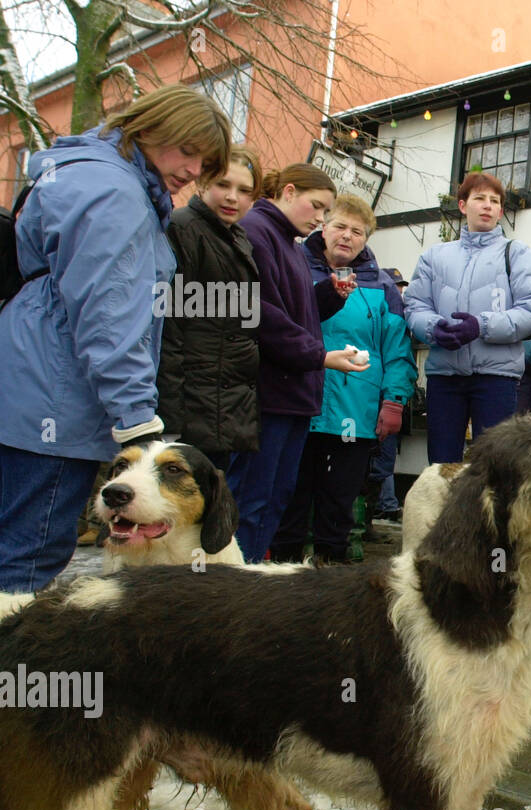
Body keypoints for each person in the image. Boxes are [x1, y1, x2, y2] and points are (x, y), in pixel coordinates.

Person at [0, 85, 231, 593]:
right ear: (149, 128)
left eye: (204, 163)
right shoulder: (116, 193)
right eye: (189, 151)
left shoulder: (84, 171)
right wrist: (136, 422)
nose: (194, 173)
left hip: (28, 387)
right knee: (26, 562)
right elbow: (109, 316)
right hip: (56, 402)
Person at [225, 164, 368, 563]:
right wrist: (320, 356)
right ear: (288, 191)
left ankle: (248, 581)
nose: (321, 219)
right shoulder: (257, 232)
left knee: (275, 499)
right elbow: (260, 314)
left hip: (292, 395)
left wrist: (328, 295)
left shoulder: (287, 241)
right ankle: (233, 588)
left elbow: (295, 312)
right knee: (251, 502)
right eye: (317, 207)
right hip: (268, 395)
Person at [268, 195, 415, 565]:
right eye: (339, 226)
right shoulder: (293, 268)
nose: (347, 236)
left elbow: (396, 350)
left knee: (339, 507)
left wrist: (394, 400)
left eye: (358, 231)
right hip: (297, 404)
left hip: (355, 413)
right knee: (289, 502)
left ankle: (331, 583)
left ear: (366, 239)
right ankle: (283, 583)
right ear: (323, 226)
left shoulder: (381, 288)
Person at [405, 172, 531, 463]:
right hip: (444, 377)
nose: (487, 206)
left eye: (494, 201)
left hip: (496, 379)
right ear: (462, 205)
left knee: (494, 467)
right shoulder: (434, 256)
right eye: (479, 198)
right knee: (441, 468)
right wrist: (434, 329)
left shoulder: (517, 253)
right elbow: (414, 306)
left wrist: (481, 326)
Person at [157, 144, 263, 472]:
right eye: (223, 185)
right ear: (202, 183)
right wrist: (170, 421)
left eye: (244, 190)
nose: (233, 197)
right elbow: (168, 328)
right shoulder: (183, 228)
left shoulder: (236, 239)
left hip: (223, 408)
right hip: (193, 407)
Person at [366, 266, 411, 523]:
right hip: (367, 397)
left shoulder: (399, 317)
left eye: (401, 287)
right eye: (396, 286)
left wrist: (394, 400)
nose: (399, 291)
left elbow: (400, 359)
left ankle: (373, 515)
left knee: (383, 464)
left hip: (390, 398)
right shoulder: (376, 312)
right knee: (370, 464)